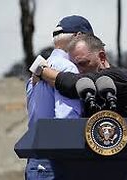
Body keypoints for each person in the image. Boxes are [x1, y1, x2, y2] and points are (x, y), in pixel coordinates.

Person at [31, 33, 127, 180]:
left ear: (102, 57)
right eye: (74, 67)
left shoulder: (118, 76)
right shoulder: (87, 93)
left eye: (83, 64)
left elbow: (72, 84)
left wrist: (42, 70)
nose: (79, 71)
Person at [25, 15, 94, 180]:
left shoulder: (36, 72)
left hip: (35, 161)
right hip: (56, 162)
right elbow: (66, 121)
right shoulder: (67, 68)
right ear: (79, 37)